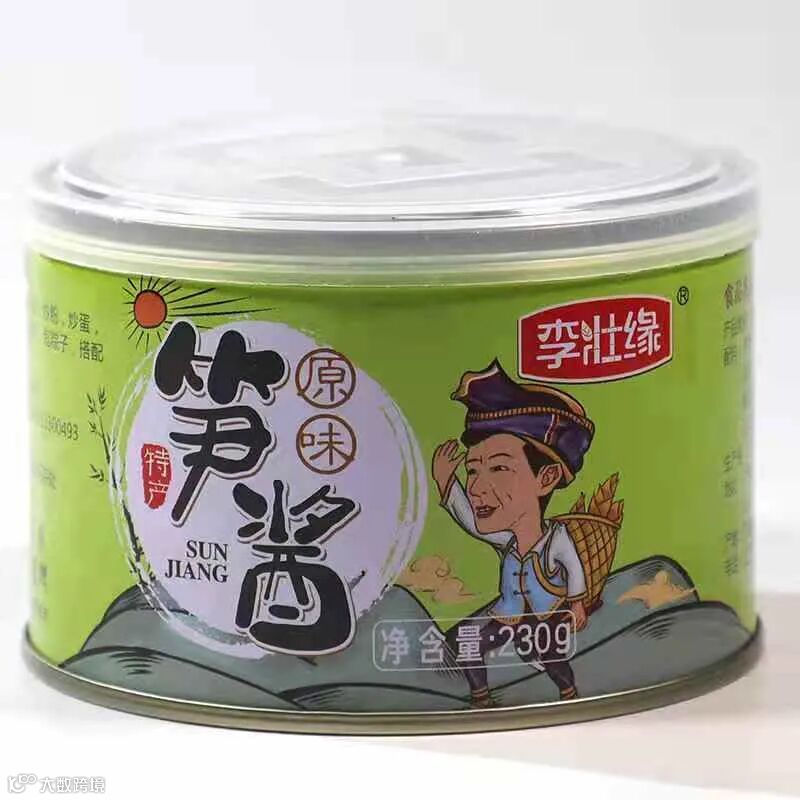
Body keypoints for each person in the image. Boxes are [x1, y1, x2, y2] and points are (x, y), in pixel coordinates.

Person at [432, 359, 595, 707]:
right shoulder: (507, 541)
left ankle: (568, 691)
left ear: (546, 478)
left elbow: (573, 567)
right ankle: (481, 698)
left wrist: (578, 603)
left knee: (547, 653)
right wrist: (447, 484)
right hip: (509, 615)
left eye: (499, 468)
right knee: (470, 644)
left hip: (546, 614)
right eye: (472, 471)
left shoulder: (555, 539)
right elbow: (472, 523)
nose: (476, 488)